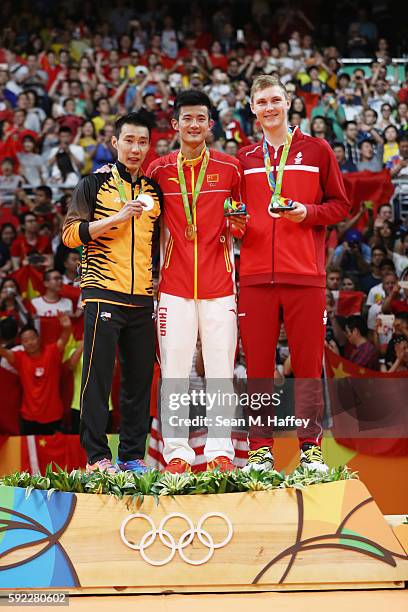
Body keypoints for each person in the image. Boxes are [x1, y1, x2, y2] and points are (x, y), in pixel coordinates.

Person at [237, 75, 350, 472]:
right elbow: (236, 217)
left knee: (306, 363)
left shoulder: (317, 150)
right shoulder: (245, 159)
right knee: (258, 367)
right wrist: (236, 224)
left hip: (305, 275)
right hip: (254, 277)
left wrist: (309, 214)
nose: (269, 108)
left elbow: (340, 205)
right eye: (261, 102)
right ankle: (260, 450)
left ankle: (310, 449)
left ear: (289, 104)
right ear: (252, 109)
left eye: (276, 100)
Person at [146, 90, 244, 474]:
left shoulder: (230, 167)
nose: (193, 125)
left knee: (221, 368)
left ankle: (221, 450)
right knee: (174, 370)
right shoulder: (159, 170)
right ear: (175, 124)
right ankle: (177, 454)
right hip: (174, 285)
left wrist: (239, 224)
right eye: (187, 118)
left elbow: (241, 218)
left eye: (200, 118)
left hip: (220, 284)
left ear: (210, 124)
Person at [62, 112, 162, 474]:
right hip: (103, 291)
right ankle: (97, 457)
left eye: (142, 142)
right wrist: (116, 219)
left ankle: (133, 456)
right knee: (97, 378)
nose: (135, 148)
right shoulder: (93, 184)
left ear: (149, 146)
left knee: (139, 382)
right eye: (129, 141)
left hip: (142, 298)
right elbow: (71, 235)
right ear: (114, 143)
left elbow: (157, 242)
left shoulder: (153, 190)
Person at [0, 314, 72, 434]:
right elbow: (3, 352)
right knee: (30, 453)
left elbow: (64, 339)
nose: (30, 342)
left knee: (53, 452)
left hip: (53, 417)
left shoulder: (52, 352)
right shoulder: (19, 358)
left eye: (32, 338)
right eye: (25, 340)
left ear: (39, 338)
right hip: (29, 418)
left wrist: (67, 327)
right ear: (21, 343)